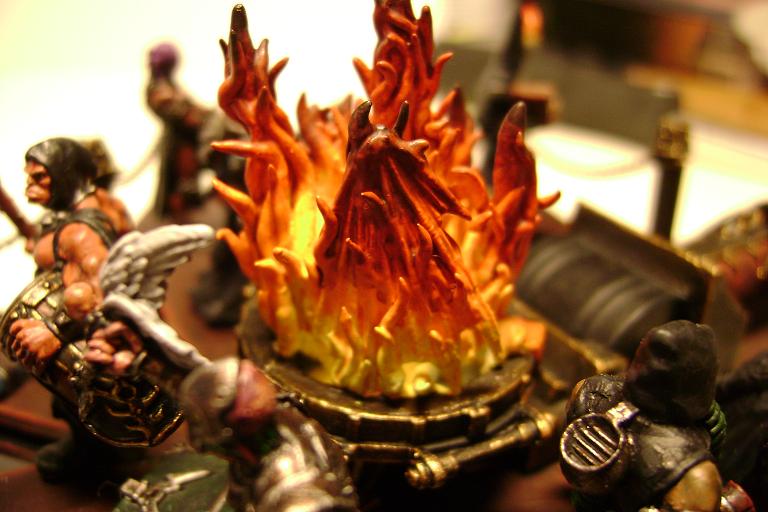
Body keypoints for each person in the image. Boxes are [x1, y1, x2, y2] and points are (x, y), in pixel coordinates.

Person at [146, 42, 210, 217]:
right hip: (178, 142)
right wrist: (194, 114)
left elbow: (192, 107)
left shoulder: (172, 86)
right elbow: (179, 112)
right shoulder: (158, 89)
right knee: (178, 180)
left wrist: (208, 113)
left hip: (188, 140)